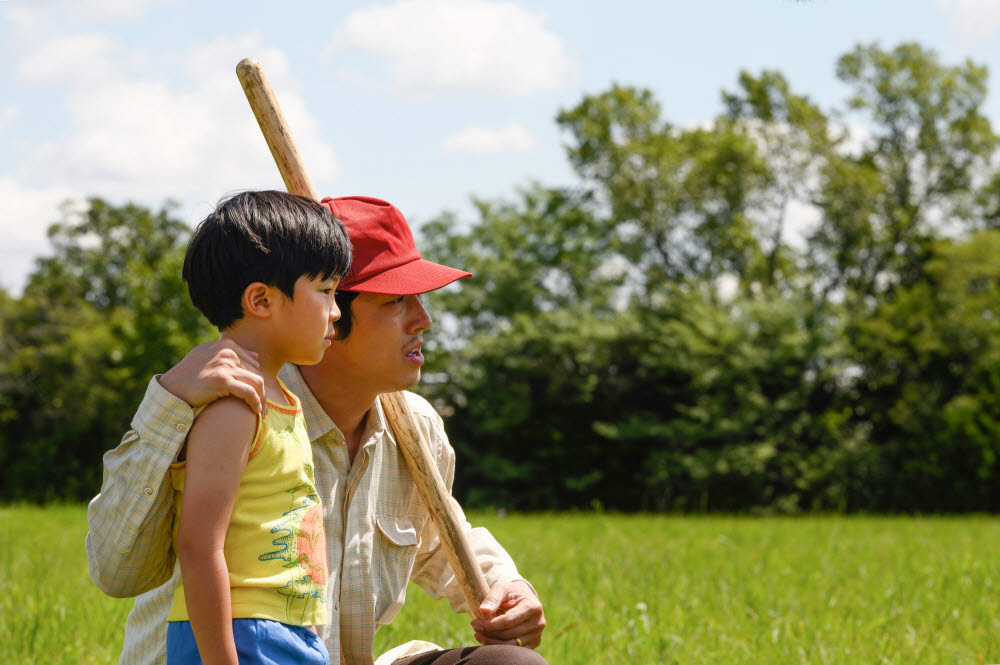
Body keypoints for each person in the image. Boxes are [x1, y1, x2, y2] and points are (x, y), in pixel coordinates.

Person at [86, 195, 548, 665]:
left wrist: (506, 586)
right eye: (394, 302)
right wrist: (167, 403)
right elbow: (115, 571)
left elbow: (440, 538)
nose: (423, 320)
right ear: (332, 313)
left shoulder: (417, 428)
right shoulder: (227, 403)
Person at [163, 190, 351, 664]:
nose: (336, 311)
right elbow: (198, 543)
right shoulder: (235, 407)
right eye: (326, 291)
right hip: (243, 634)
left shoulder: (282, 400)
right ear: (262, 299)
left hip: (284, 629)